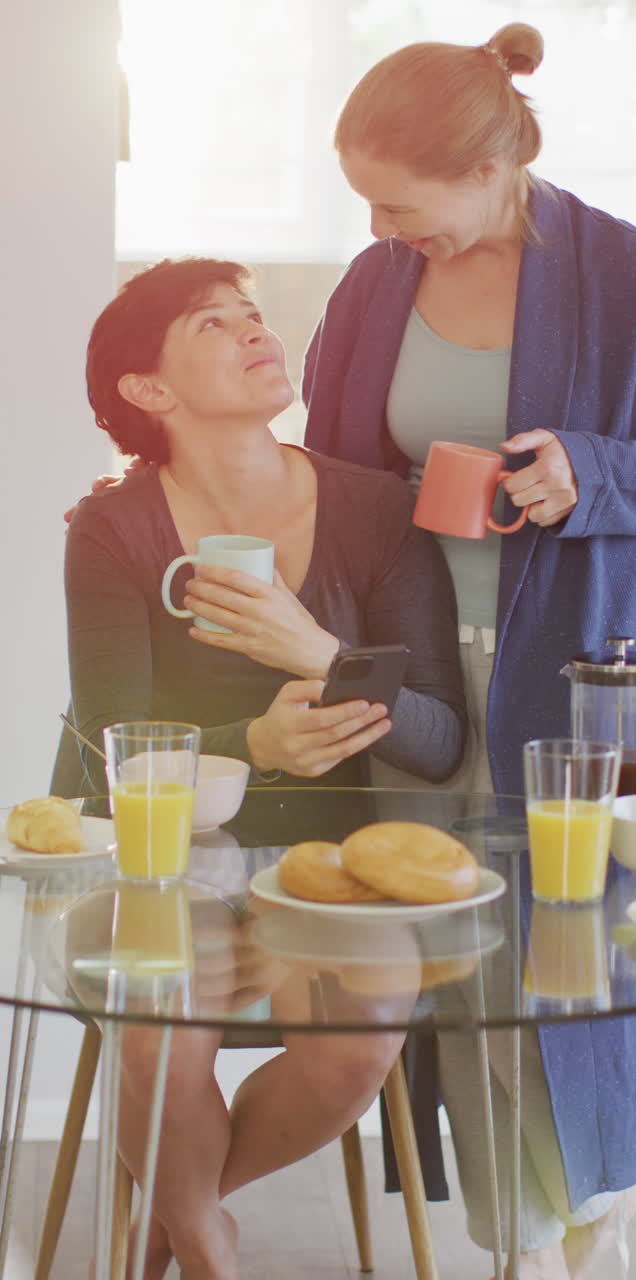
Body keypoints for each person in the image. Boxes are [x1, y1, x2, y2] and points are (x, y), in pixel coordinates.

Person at [301, 19, 636, 1278]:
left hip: (594, 669)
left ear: (492, 169)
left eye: (399, 201)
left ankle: (594, 1199)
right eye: (365, 201)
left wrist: (587, 472)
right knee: (460, 960)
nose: (381, 227)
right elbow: (326, 466)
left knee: (570, 969)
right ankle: (519, 1240)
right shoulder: (378, 283)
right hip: (423, 666)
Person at [63, 256, 465, 1278]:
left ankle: (185, 1213)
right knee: (159, 1037)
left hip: (328, 861)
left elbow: (438, 736)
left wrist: (315, 651)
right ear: (147, 391)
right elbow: (114, 743)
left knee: (359, 1044)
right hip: (165, 861)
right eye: (212, 323)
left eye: (253, 313)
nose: (257, 330)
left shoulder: (377, 511)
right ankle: (205, 1247)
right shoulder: (112, 529)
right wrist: (257, 747)